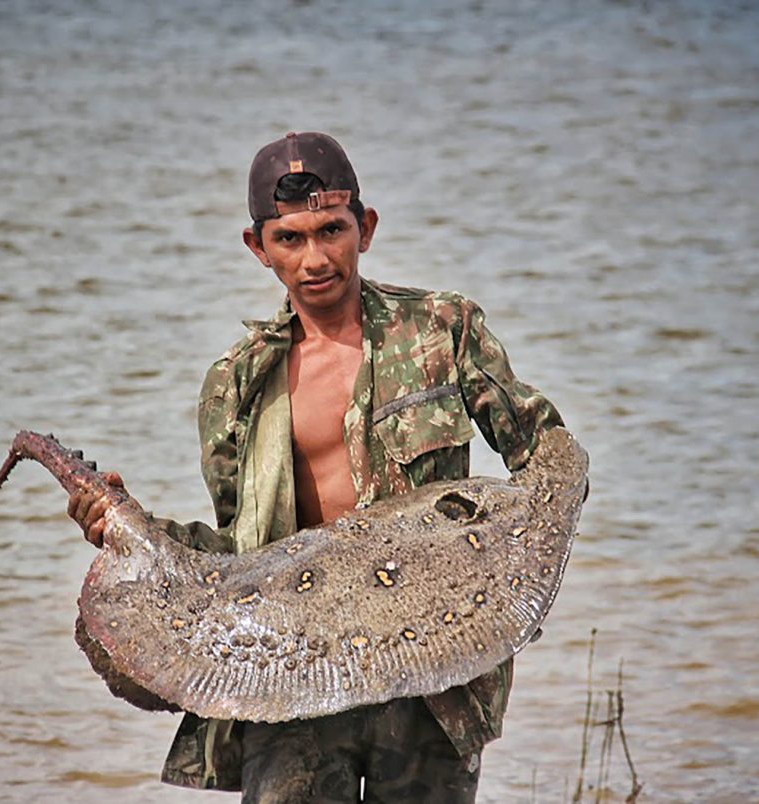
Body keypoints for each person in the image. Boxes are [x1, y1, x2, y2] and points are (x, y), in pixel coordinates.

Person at [68, 132, 564, 802]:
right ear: (258, 247)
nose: (315, 258)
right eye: (290, 239)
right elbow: (239, 555)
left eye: (332, 230)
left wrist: (508, 587)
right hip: (292, 669)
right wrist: (131, 530)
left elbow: (547, 456)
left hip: (430, 669)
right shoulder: (235, 384)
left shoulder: (443, 330)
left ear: (366, 227)